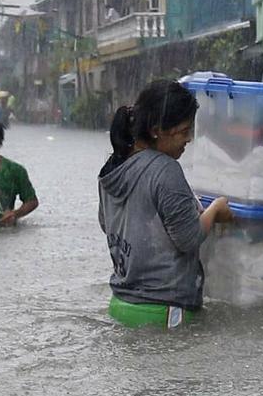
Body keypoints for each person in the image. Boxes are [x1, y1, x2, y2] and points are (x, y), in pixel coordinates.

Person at [98, 80, 233, 329]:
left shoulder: (111, 170)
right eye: (183, 131)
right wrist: (214, 210)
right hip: (164, 312)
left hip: (120, 306)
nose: (189, 139)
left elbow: (108, 226)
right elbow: (189, 238)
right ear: (156, 130)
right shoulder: (165, 170)